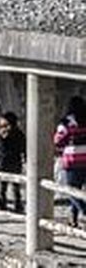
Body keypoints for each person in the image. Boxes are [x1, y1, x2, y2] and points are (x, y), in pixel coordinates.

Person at [54, 96, 86, 227]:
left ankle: (84, 211)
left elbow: (58, 140)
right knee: (77, 190)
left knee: (71, 190)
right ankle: (73, 217)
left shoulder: (67, 122)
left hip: (73, 160)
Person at [0, 111, 25, 213]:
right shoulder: (18, 133)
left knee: (3, 185)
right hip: (15, 161)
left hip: (2, 161)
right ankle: (18, 205)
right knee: (16, 186)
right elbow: (23, 147)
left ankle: (2, 204)